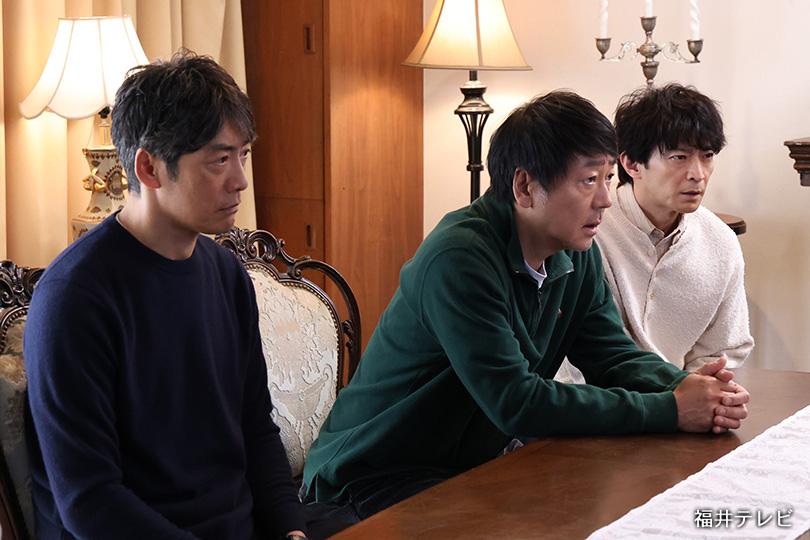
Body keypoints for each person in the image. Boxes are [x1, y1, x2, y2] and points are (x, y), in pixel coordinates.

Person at [299, 90, 750, 523]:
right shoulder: (459, 258)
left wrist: (690, 389)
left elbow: (613, 356)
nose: (605, 199)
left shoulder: (575, 252)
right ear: (524, 186)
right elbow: (516, 401)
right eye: (588, 180)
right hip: (371, 475)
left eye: (608, 179)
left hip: (468, 463)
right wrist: (671, 409)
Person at [24, 51, 311, 540]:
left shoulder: (227, 274)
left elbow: (256, 431)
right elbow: (89, 501)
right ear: (149, 168)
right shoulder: (74, 299)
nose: (240, 180)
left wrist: (291, 532)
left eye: (243, 155)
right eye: (219, 160)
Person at [600, 83, 754, 370]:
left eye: (707, 156)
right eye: (679, 157)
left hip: (682, 395)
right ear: (632, 164)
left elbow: (724, 348)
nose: (698, 174)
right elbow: (574, 355)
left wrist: (696, 387)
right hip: (595, 394)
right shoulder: (591, 229)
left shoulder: (720, 241)